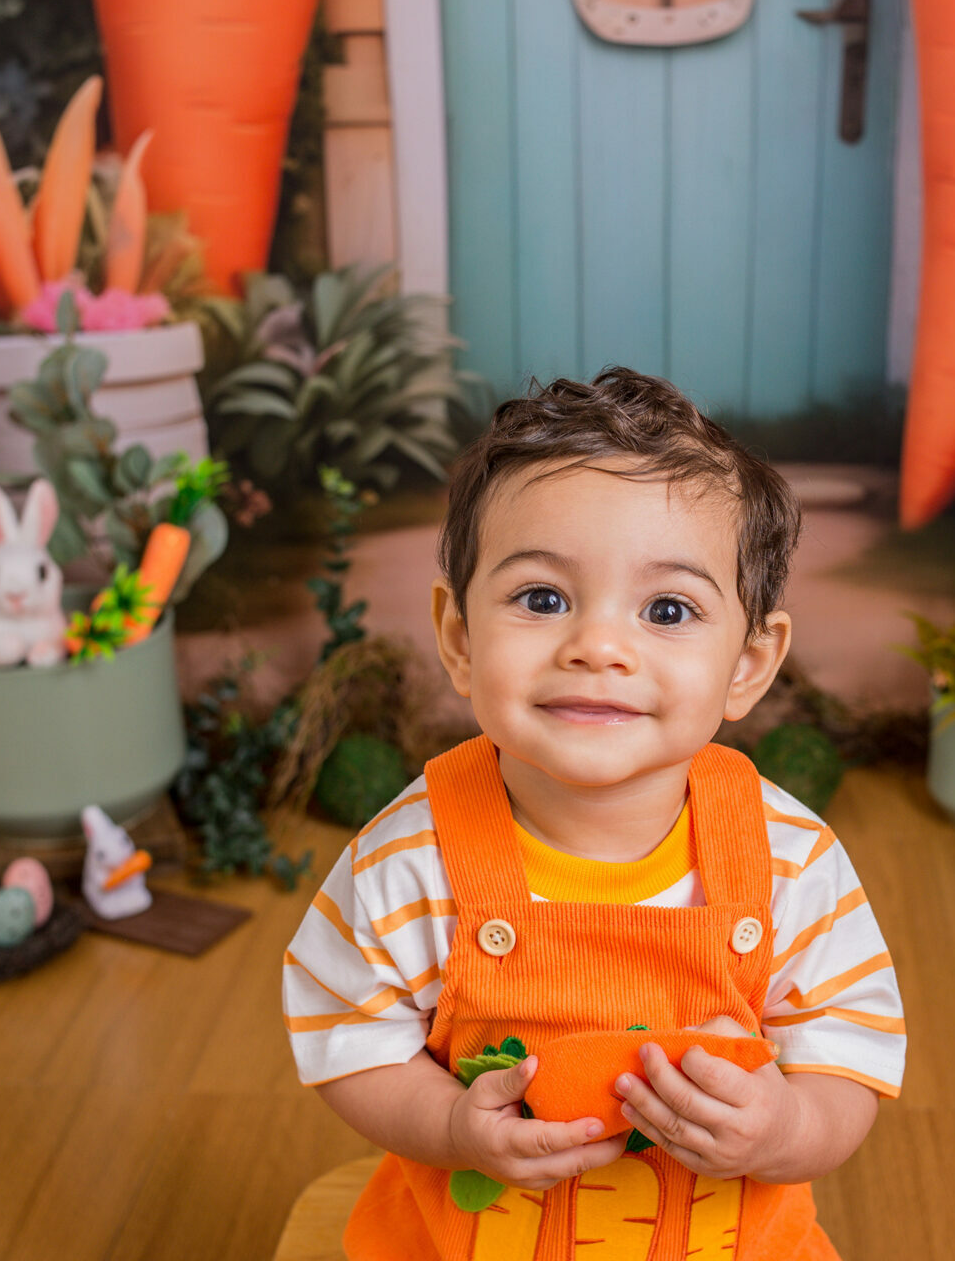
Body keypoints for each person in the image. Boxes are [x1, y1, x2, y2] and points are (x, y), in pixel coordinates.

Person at [282, 367, 905, 1259]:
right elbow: (347, 1036)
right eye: (543, 598)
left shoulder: (790, 861)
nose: (599, 647)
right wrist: (450, 1127)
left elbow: (850, 1058)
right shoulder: (409, 858)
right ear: (459, 638)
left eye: (668, 609)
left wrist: (783, 1129)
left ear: (747, 665)